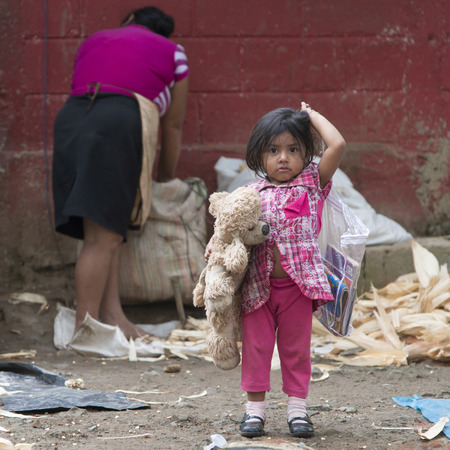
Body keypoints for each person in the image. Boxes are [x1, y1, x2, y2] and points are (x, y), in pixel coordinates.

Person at [52, 6, 189, 339]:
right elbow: (173, 125)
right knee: (103, 237)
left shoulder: (95, 39)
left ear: (129, 21)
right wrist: (165, 179)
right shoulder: (174, 52)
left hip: (72, 118)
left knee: (105, 229)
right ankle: (86, 330)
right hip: (117, 121)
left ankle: (113, 318)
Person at [238, 102, 346, 438]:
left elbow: (338, 145)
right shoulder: (250, 194)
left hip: (299, 289)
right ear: (259, 155)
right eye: (273, 150)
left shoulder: (313, 182)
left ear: (307, 153)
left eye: (293, 149)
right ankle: (254, 412)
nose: (283, 157)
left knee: (295, 350)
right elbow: (229, 232)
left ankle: (297, 411)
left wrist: (310, 116)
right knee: (256, 349)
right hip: (257, 287)